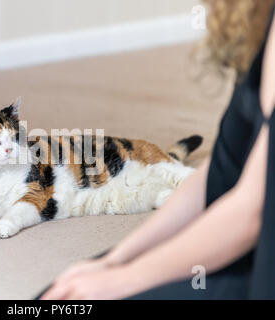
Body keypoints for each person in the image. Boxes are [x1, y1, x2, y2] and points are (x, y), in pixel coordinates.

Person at [39, 0, 275, 300]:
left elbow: (249, 214)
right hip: (234, 244)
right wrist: (117, 259)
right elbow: (220, 170)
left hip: (259, 271)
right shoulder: (261, 25)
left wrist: (123, 281)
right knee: (59, 296)